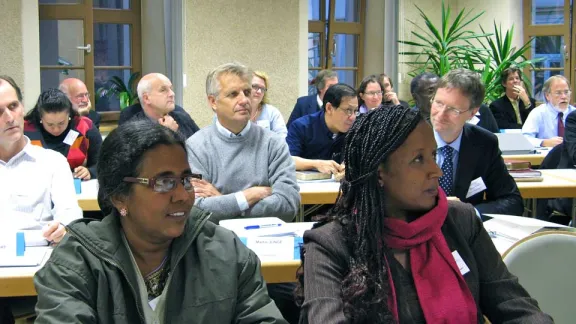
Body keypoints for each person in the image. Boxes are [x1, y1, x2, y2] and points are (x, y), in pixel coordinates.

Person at [296, 105, 552, 323]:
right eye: (418, 159)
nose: (436, 171)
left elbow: (516, 307)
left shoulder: (459, 221)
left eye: (433, 155)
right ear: (380, 171)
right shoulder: (331, 244)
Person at [34, 119, 288, 323]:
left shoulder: (226, 253)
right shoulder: (76, 263)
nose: (183, 195)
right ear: (120, 197)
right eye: (164, 182)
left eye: (186, 180)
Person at [186, 62, 300, 224]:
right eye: (233, 94)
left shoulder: (272, 143)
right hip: (214, 242)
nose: (244, 100)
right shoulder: (196, 146)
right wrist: (247, 197)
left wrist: (223, 200)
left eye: (247, 92)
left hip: (266, 241)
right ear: (213, 102)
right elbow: (195, 209)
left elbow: (288, 206)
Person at [431, 69, 524, 216]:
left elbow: (512, 201)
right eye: (438, 103)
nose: (441, 114)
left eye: (453, 110)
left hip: (464, 232)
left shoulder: (484, 144)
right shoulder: (409, 138)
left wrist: (469, 213)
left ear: (472, 113)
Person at [0, 75, 81, 239]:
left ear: (22, 107)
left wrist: (65, 228)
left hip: (40, 258)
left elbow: (70, 212)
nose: (9, 118)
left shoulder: (53, 162)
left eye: (13, 106)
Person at [24, 88, 102, 180]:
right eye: (50, 124)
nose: (56, 129)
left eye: (61, 123)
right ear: (40, 117)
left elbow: (103, 163)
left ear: (69, 115)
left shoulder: (84, 126)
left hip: (77, 187)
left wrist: (90, 171)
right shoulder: (26, 130)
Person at [287, 83, 358, 174]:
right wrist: (316, 164)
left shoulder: (356, 128)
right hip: (308, 186)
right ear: (329, 108)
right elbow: (288, 160)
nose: (353, 117)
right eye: (348, 110)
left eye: (355, 111)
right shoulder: (302, 126)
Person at [119, 73, 200, 139]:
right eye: (163, 90)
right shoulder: (132, 128)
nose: (172, 94)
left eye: (171, 89)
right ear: (146, 98)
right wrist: (167, 133)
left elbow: (199, 148)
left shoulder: (182, 117)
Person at [522, 75, 575, 147]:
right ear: (547, 95)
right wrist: (543, 142)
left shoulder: (574, 113)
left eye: (566, 92)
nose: (564, 97)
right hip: (545, 157)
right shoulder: (538, 113)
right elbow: (524, 139)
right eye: (558, 93)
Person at [250, 70, 287, 137]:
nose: (259, 91)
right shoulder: (236, 109)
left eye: (262, 88)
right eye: (255, 86)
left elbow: (282, 137)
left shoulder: (272, 112)